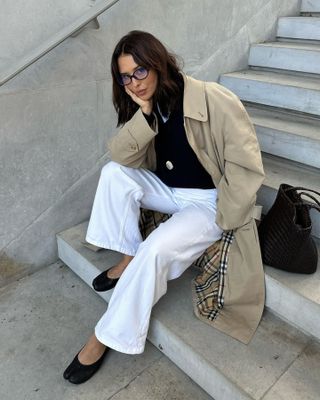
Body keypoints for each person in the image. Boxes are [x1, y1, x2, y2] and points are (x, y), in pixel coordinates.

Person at [63, 30, 265, 385]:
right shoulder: (150, 104)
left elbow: (245, 166)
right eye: (126, 76)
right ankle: (128, 255)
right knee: (114, 174)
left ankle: (103, 337)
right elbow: (121, 156)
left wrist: (226, 217)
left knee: (155, 249)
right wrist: (142, 115)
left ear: (159, 64)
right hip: (170, 192)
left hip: (207, 202)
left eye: (140, 71)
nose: (134, 82)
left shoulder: (213, 99)